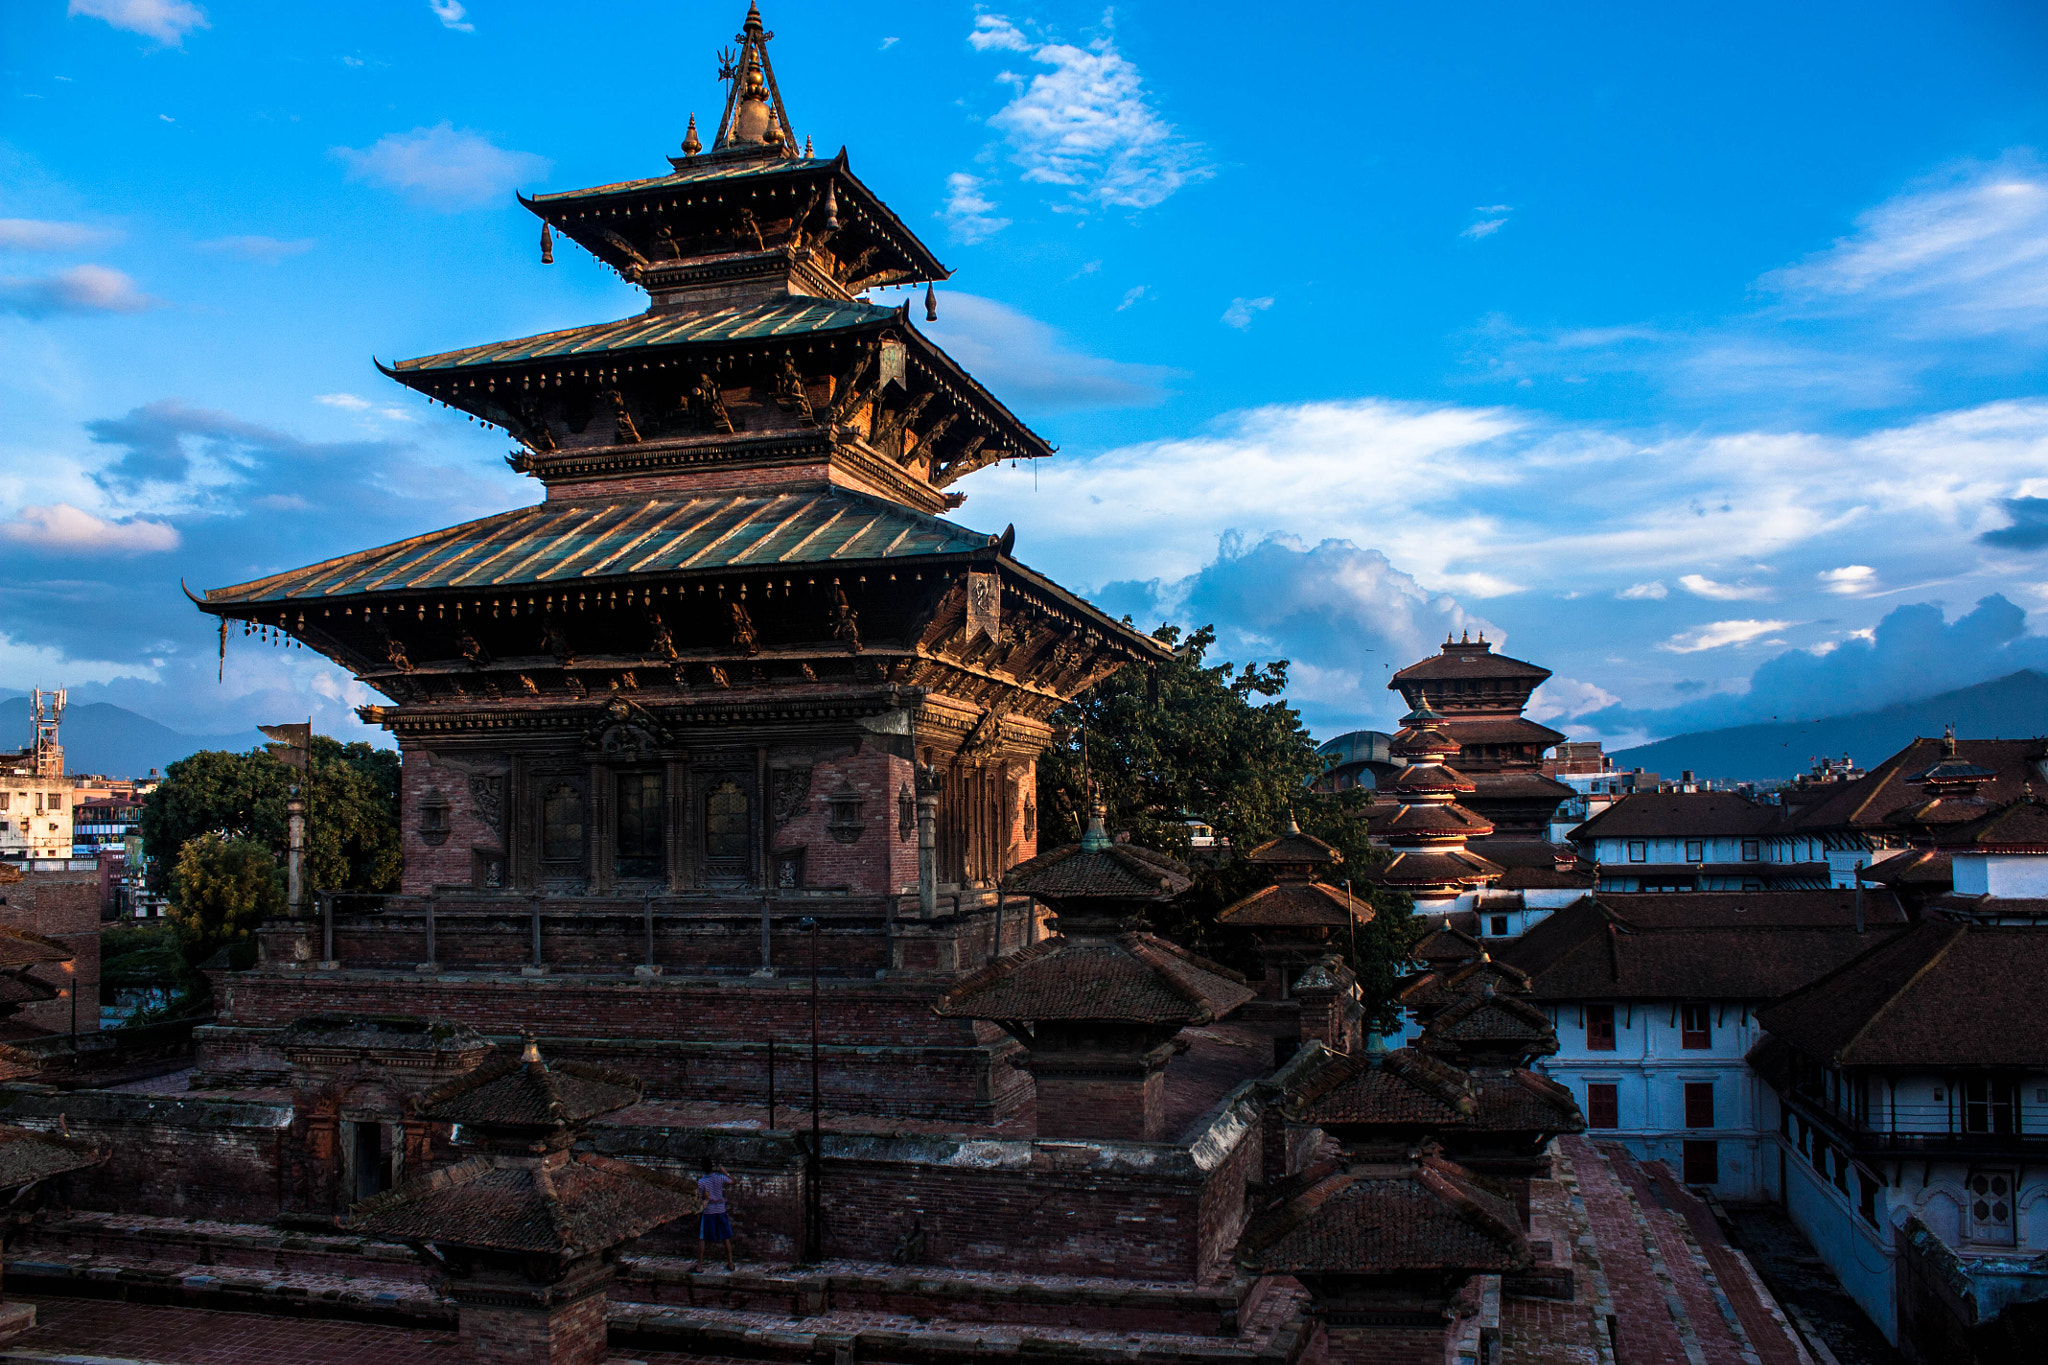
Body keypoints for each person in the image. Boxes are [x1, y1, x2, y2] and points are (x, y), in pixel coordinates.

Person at [695, 1161, 735, 1269]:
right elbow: (733, 1181)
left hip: (709, 1211)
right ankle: (730, 1263)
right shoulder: (719, 1178)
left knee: (703, 1237)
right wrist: (725, 1172)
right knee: (726, 1237)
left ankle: (700, 1265)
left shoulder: (701, 1182)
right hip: (721, 1210)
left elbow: (699, 1197)